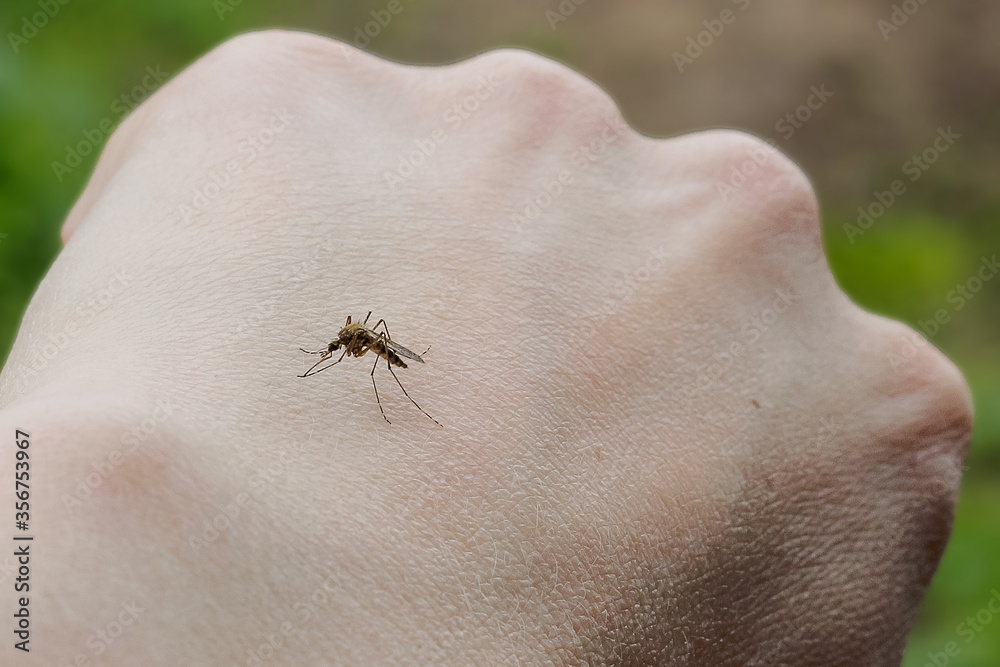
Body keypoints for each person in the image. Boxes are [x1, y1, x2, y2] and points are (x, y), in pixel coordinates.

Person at [0, 30, 971, 665]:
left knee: (379, 372)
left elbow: (370, 337)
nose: (350, 343)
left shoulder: (368, 342)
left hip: (391, 356)